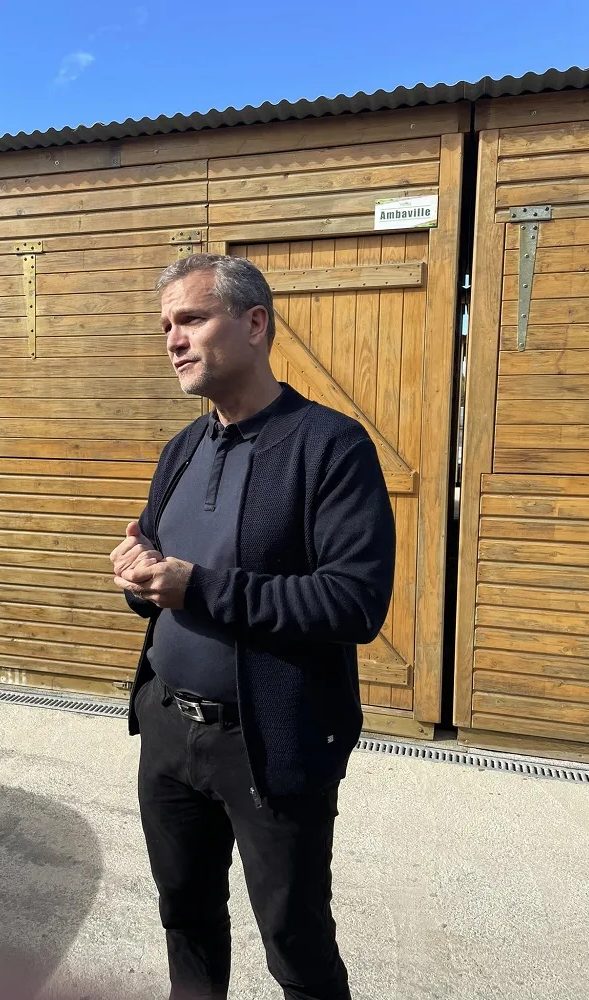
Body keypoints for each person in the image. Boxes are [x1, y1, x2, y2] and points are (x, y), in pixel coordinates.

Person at [110, 254, 395, 1000]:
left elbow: (354, 603)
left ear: (255, 323)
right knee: (184, 914)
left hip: (272, 741)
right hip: (168, 729)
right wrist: (140, 579)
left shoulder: (329, 446)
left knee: (296, 944)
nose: (173, 340)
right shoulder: (182, 449)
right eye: (166, 326)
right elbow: (159, 568)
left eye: (192, 319)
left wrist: (198, 588)